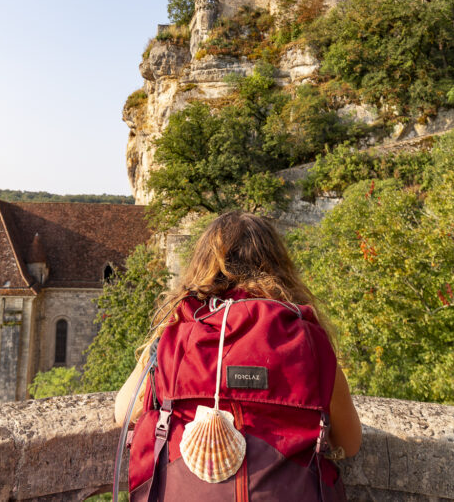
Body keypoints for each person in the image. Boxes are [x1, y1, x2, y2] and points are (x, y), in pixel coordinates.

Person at [115, 211, 361, 501]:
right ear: (277, 267)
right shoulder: (307, 339)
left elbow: (124, 413)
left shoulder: (177, 334)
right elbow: (349, 441)